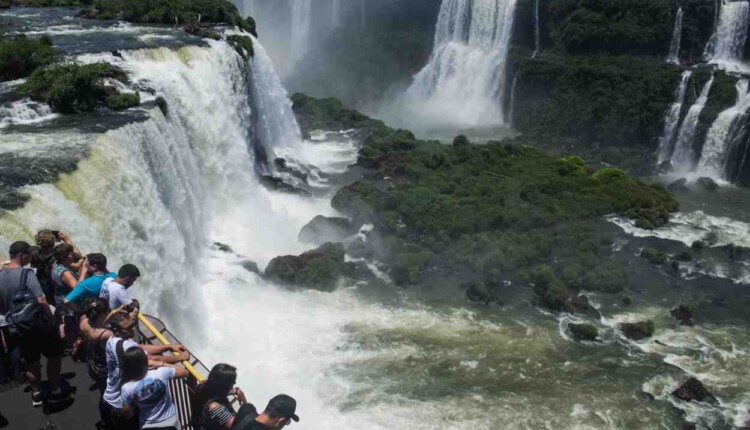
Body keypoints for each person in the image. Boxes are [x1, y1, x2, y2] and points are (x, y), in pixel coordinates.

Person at [0, 241, 70, 406]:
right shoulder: (27, 274)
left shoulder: (0, 276)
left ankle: (37, 394)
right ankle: (54, 390)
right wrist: (52, 319)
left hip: (18, 327)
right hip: (38, 324)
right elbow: (41, 299)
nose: (31, 258)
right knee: (54, 356)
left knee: (31, 360)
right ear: (22, 255)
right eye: (29, 255)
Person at [103, 311, 189, 429]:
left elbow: (141, 348)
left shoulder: (113, 340)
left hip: (111, 394)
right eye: (128, 328)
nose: (133, 329)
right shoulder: (125, 346)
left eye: (133, 325)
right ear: (117, 330)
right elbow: (152, 358)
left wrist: (168, 346)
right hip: (120, 401)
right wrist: (179, 358)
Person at [121, 347, 189, 430]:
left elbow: (127, 413)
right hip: (171, 422)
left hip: (148, 425)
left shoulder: (126, 387)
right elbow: (184, 372)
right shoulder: (161, 373)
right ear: (145, 362)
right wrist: (160, 363)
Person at [79, 298, 113, 426]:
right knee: (108, 396)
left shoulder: (84, 321)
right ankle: (109, 422)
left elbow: (99, 321)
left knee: (103, 393)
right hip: (104, 369)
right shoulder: (106, 334)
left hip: (92, 364)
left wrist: (115, 312)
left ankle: (105, 420)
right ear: (102, 314)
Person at [193, 363, 252, 430]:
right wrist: (246, 405)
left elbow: (216, 392)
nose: (235, 382)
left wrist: (236, 390)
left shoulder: (202, 388)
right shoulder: (216, 408)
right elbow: (237, 426)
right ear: (225, 385)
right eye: (232, 381)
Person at [30, 230, 57, 305]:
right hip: (54, 283)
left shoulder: (35, 253)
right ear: (53, 242)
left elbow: (33, 265)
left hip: (40, 281)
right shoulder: (57, 254)